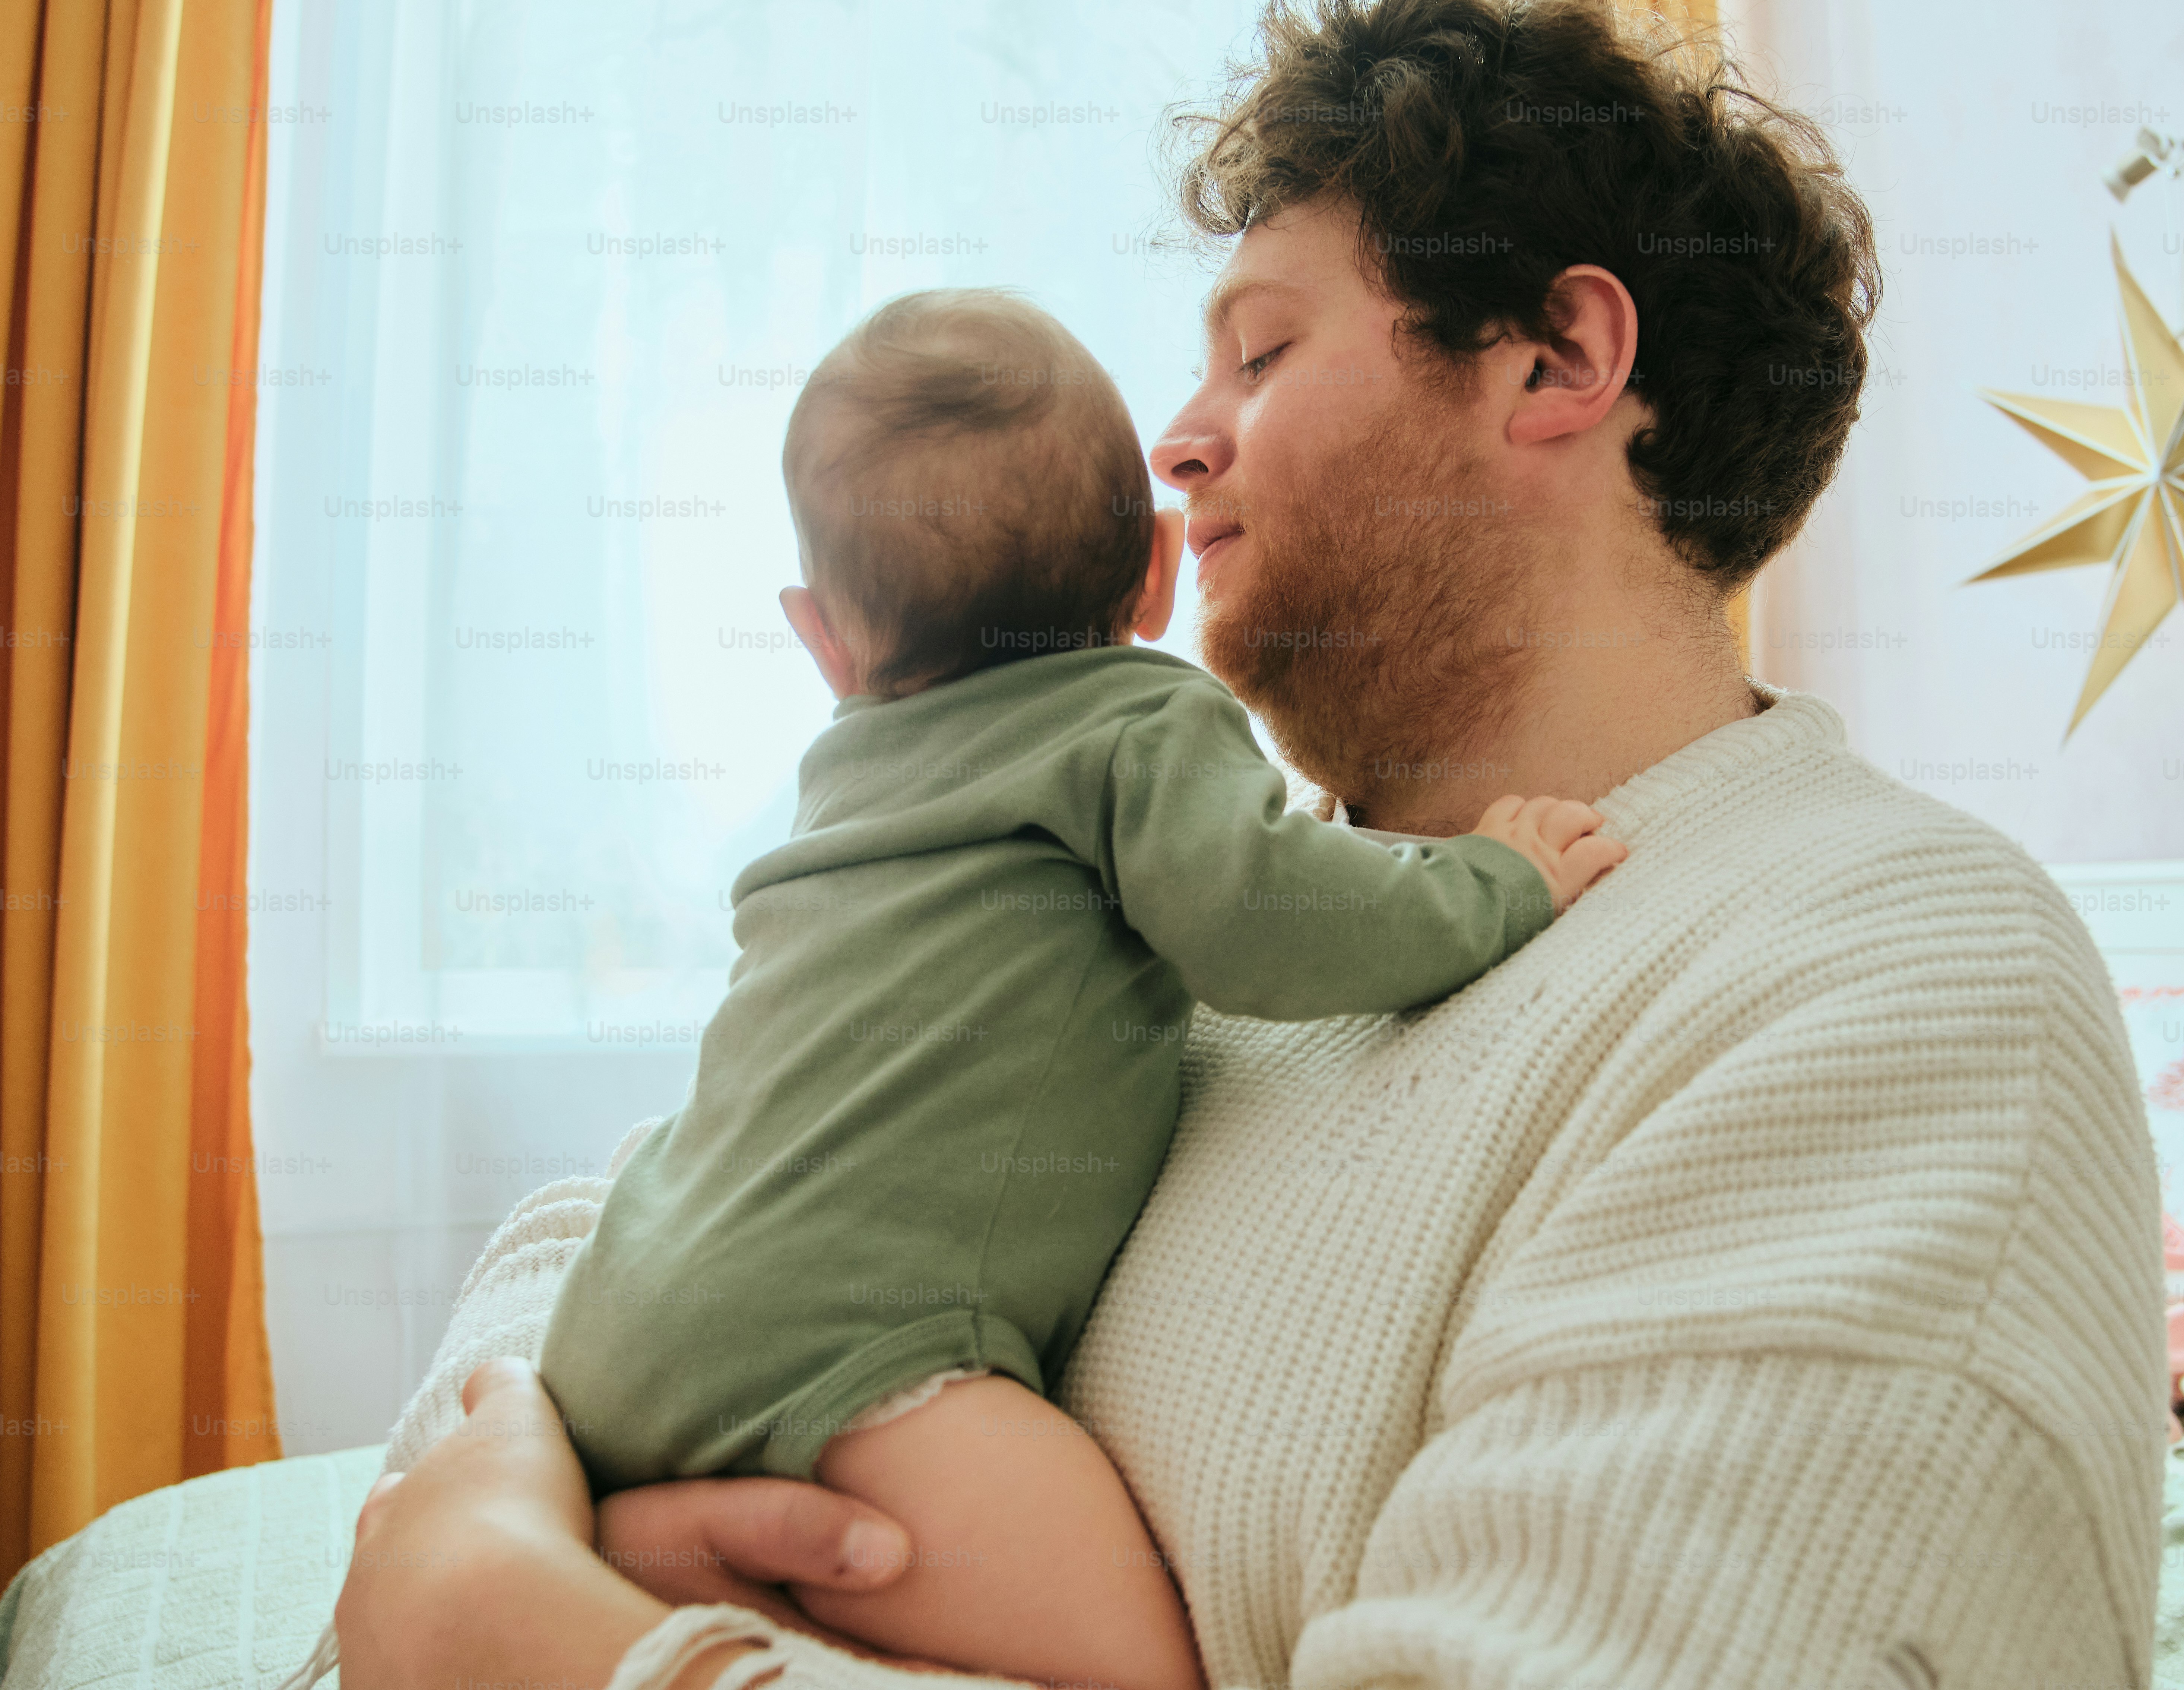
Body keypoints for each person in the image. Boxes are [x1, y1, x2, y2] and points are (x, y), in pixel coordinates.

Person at [335, 0, 2168, 1690]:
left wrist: (527, 1620)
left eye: (1262, 352)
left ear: (1555, 359)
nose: (1173, 442)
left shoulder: (1890, 976)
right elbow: (613, 1217)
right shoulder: (1165, 891)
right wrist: (533, 1488)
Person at [533, 287, 1620, 1690]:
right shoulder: (1134, 718)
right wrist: (1497, 879)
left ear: (825, 641)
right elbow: (1266, 918)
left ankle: (645, 1582)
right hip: (870, 1352)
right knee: (1141, 1670)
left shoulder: (845, 778)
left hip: (622, 1322)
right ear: (1156, 577)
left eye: (1267, 352)